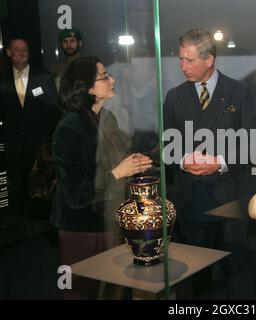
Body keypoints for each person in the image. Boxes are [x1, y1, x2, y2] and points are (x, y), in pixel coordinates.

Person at [163, 29, 256, 298]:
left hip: (230, 200)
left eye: (189, 61)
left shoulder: (240, 93)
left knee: (236, 272)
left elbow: (254, 146)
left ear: (209, 59)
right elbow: (166, 148)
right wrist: (183, 161)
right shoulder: (174, 97)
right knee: (195, 276)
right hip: (192, 202)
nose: (183, 67)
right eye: (180, 59)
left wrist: (220, 162)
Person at [51, 56, 152, 299]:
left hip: (109, 223)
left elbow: (112, 163)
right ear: (86, 87)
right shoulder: (69, 128)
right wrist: (119, 172)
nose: (113, 80)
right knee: (83, 293)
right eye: (105, 76)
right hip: (82, 230)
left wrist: (133, 162)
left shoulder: (107, 118)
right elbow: (76, 196)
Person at [0, 36, 59, 218]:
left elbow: (53, 109)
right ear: (9, 52)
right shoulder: (3, 79)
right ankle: (18, 219)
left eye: (24, 49)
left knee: (39, 182)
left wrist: (48, 137)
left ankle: (39, 219)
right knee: (16, 181)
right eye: (16, 50)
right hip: (12, 142)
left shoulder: (43, 77)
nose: (21, 54)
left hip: (38, 141)